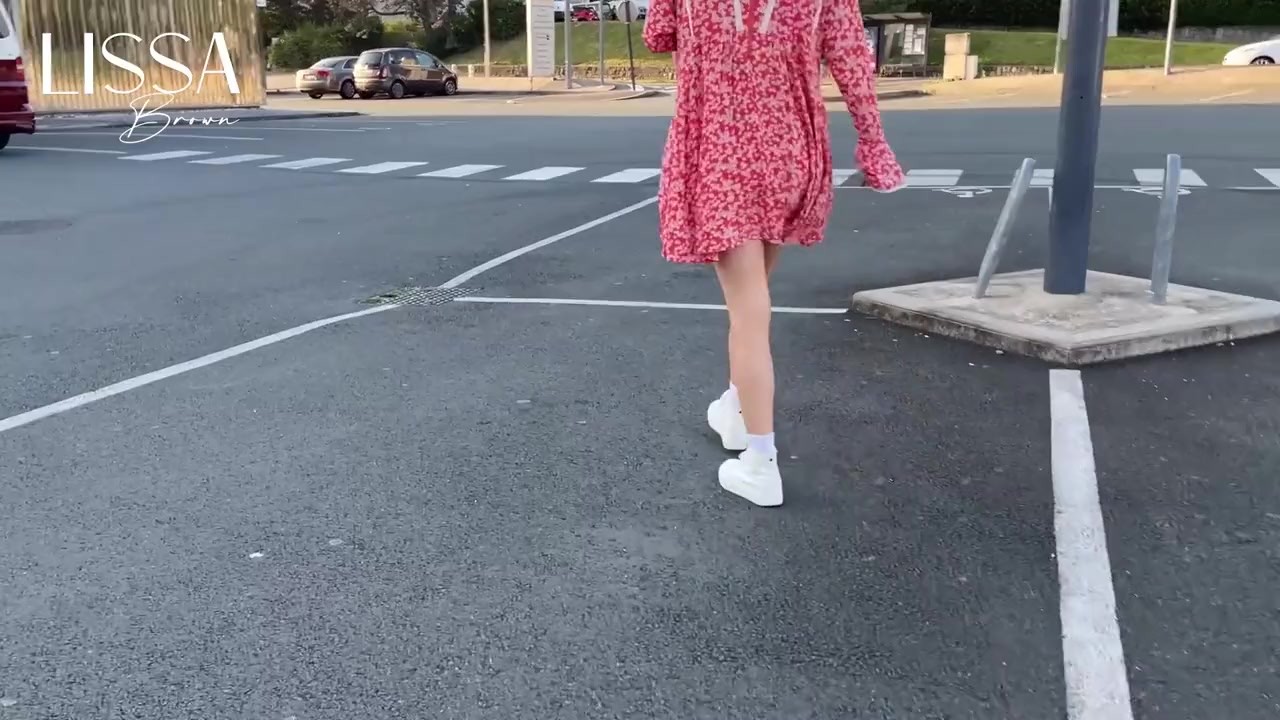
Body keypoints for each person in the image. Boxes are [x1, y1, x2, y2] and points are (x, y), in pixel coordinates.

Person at [643, 0, 905, 507]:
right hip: (790, 152)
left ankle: (761, 462)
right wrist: (873, 144)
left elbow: (659, 35)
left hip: (721, 151)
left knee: (747, 311)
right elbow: (852, 60)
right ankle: (736, 409)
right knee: (756, 295)